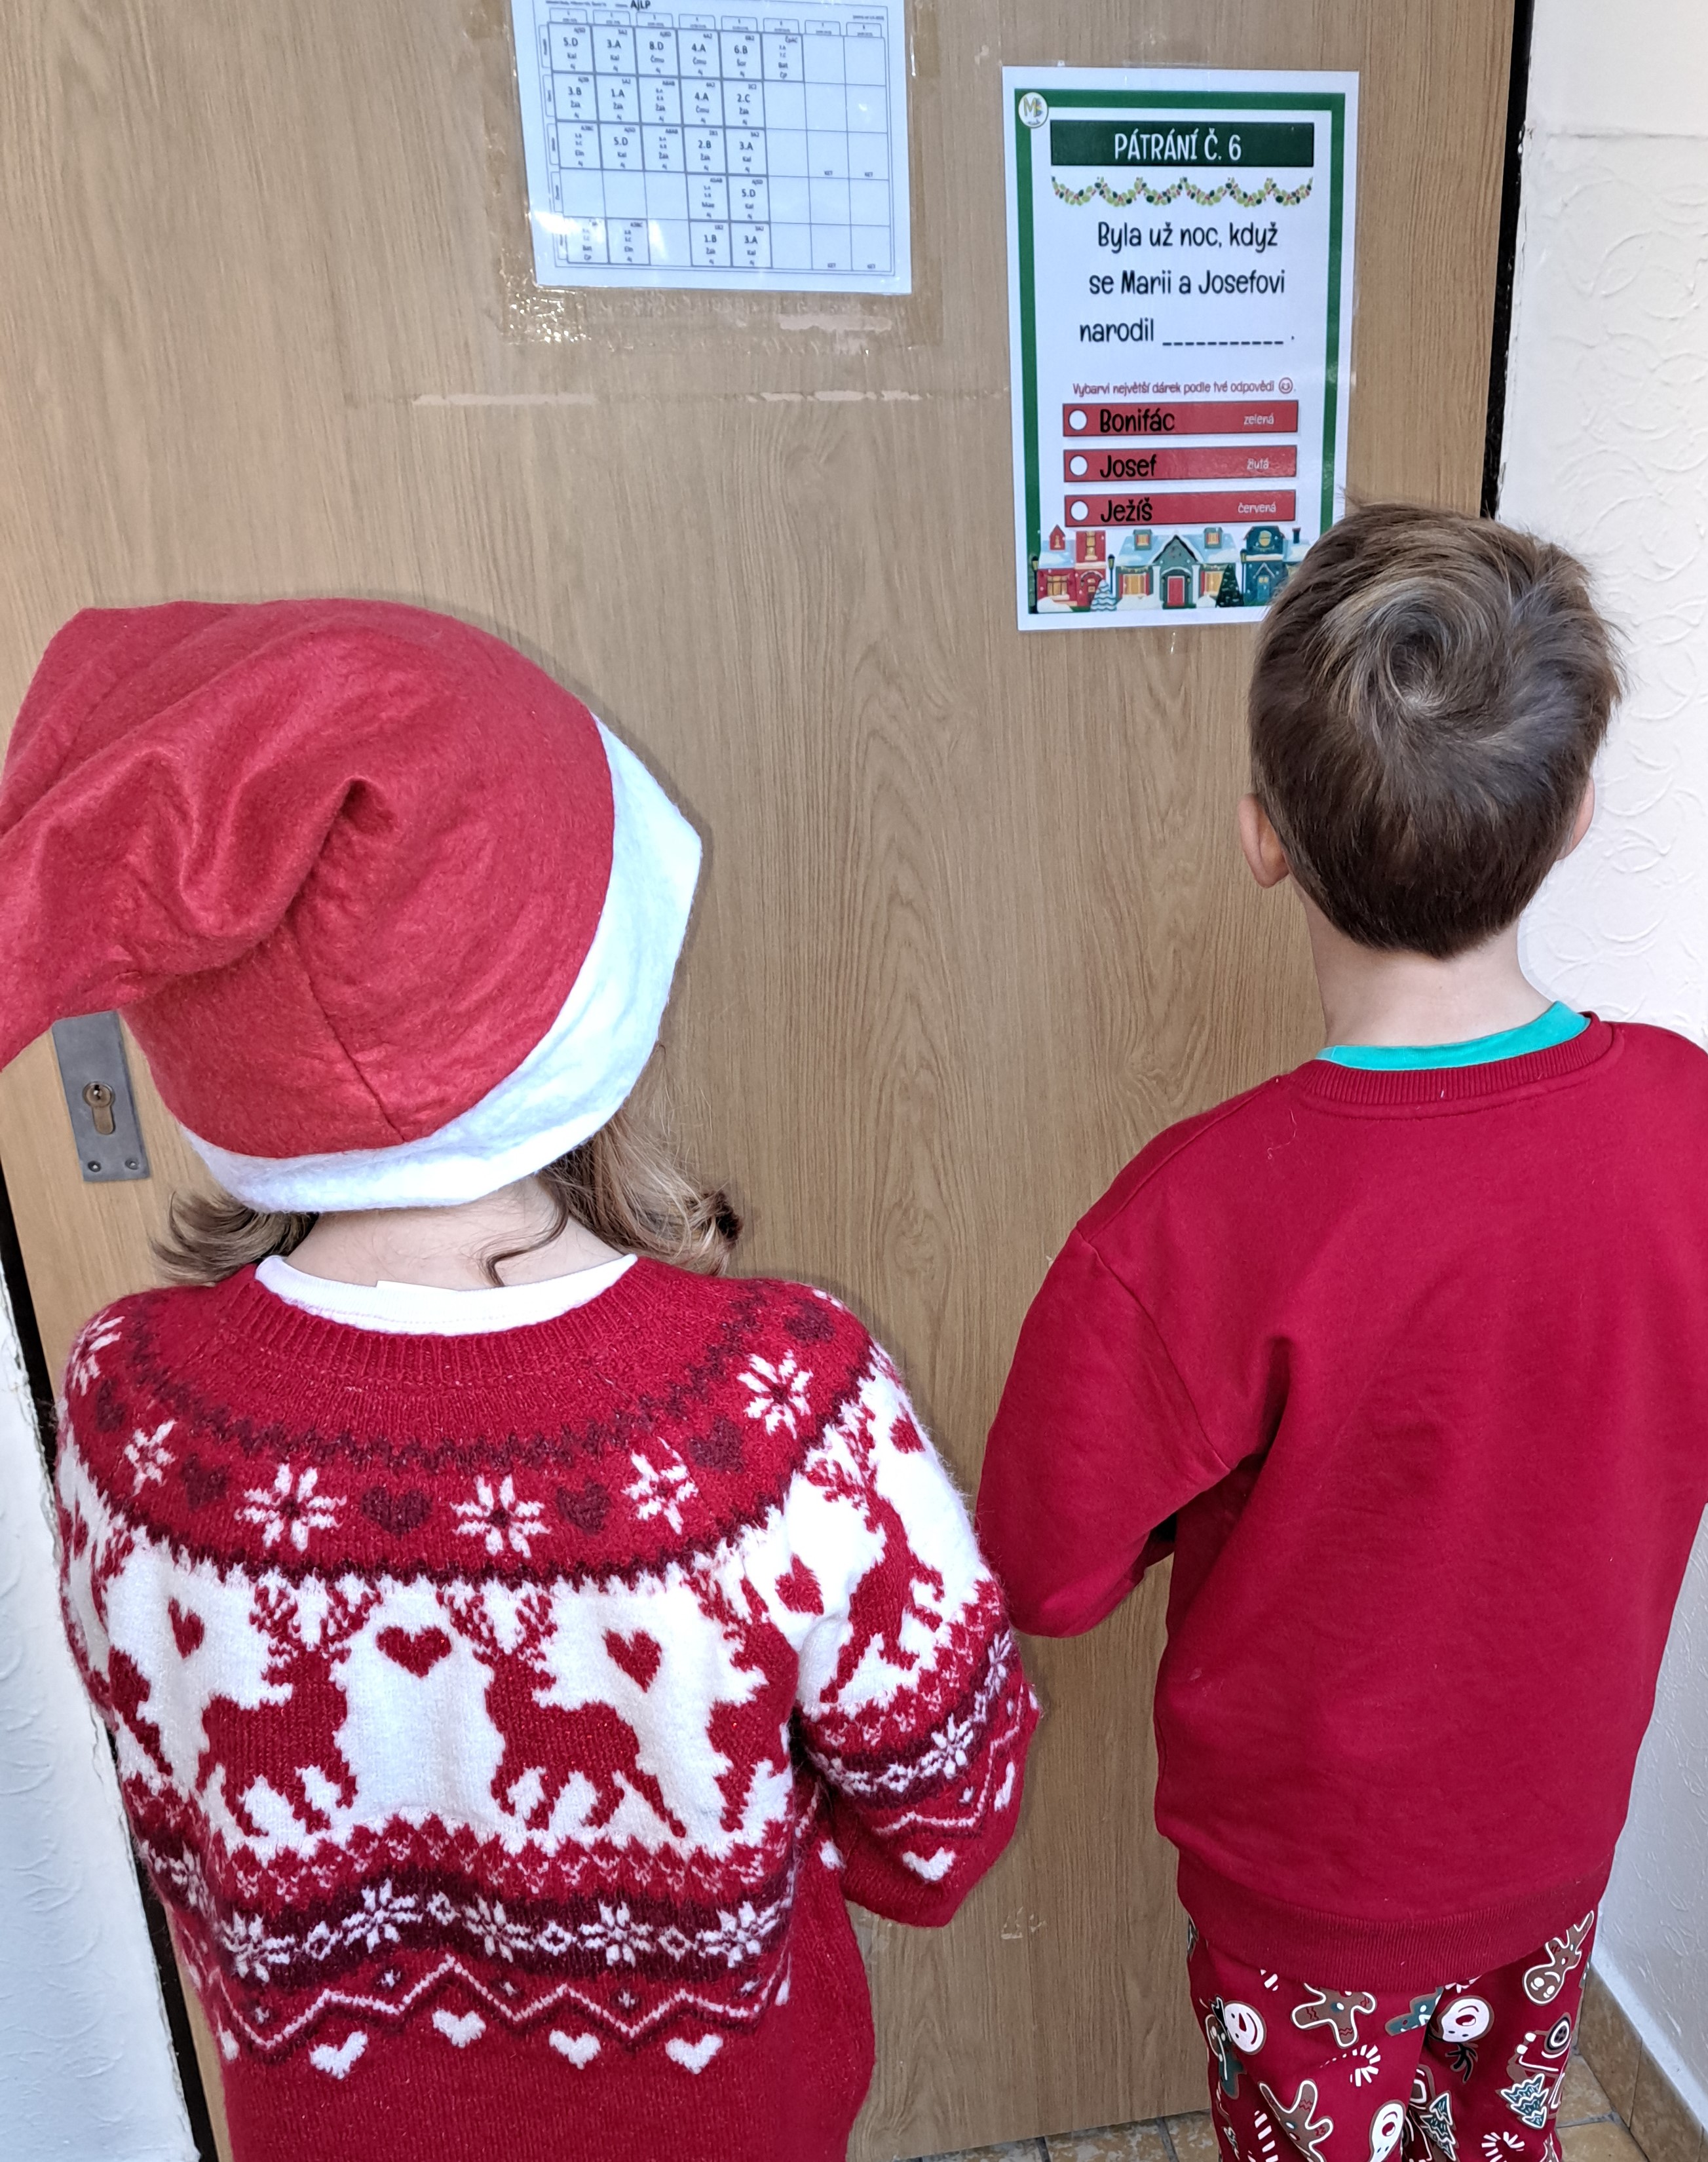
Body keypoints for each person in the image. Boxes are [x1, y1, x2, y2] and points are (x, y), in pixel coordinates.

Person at [0, 599, 1036, 2162]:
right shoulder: (779, 1412)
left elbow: (182, 1822)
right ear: (589, 1007)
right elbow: (943, 1828)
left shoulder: (129, 1412)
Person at [976, 506, 1708, 2162]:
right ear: (1575, 816)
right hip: (1555, 1838)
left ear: (1262, 838)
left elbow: (1045, 1567)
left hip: (1311, 1896)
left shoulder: (1197, 1214)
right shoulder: (1686, 1118)